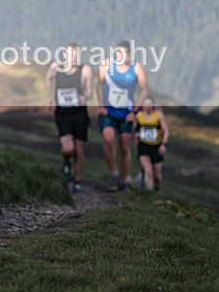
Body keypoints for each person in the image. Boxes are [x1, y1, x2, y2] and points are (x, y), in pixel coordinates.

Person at [97, 41, 149, 191]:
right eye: (118, 53)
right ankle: (114, 173)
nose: (121, 56)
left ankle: (123, 181)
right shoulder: (106, 64)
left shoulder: (136, 68)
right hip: (108, 111)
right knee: (108, 139)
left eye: (125, 53)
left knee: (124, 147)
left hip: (126, 114)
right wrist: (101, 105)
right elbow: (99, 84)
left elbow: (145, 89)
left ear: (129, 55)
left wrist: (134, 111)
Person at [44, 42, 93, 193]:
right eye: (70, 55)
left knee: (79, 150)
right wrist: (50, 97)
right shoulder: (56, 67)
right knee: (68, 148)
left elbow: (90, 91)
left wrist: (85, 97)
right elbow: (47, 79)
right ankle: (66, 161)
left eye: (75, 55)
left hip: (79, 114)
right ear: (64, 55)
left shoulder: (85, 70)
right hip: (62, 113)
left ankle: (77, 182)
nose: (72, 58)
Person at [133, 97, 169, 191]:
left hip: (156, 147)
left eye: (149, 104)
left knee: (157, 175)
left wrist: (163, 144)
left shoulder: (158, 115)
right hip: (143, 146)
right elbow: (135, 128)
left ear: (153, 105)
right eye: (145, 104)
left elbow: (166, 131)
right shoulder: (139, 116)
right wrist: (136, 138)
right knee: (148, 171)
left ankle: (156, 188)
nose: (147, 106)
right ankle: (148, 194)